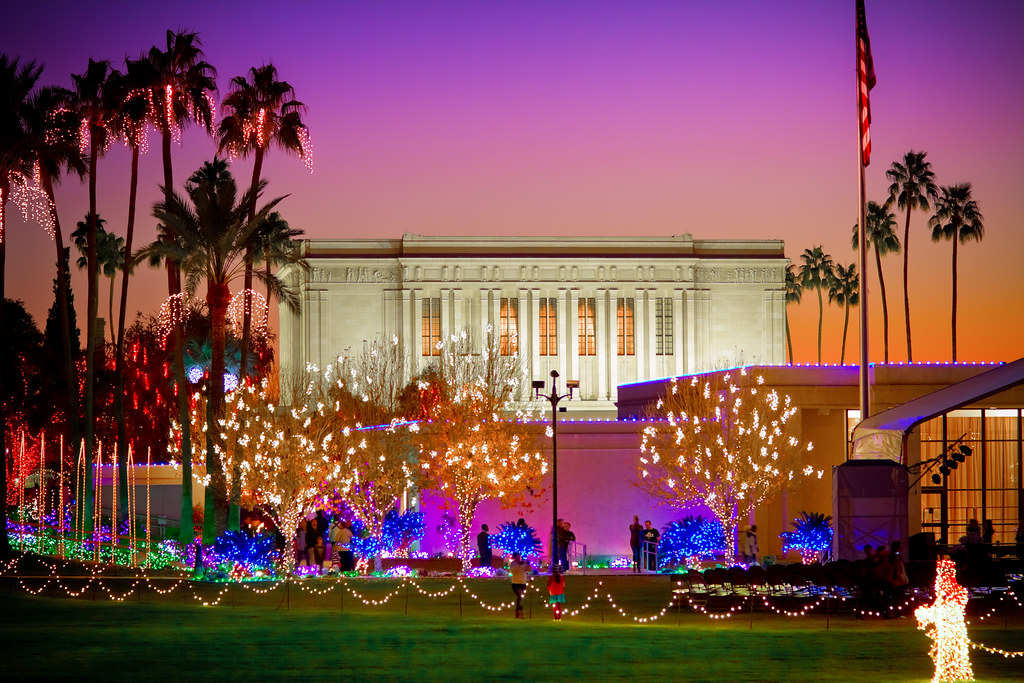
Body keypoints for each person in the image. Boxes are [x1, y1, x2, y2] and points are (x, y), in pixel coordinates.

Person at [509, 552, 530, 619]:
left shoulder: (523, 564)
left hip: (523, 583)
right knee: (520, 597)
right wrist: (519, 565)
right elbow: (513, 570)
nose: (519, 558)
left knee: (520, 598)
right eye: (517, 557)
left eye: (519, 557)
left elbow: (529, 570)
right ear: (514, 558)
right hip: (515, 584)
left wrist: (528, 565)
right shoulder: (513, 564)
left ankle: (518, 612)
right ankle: (520, 613)